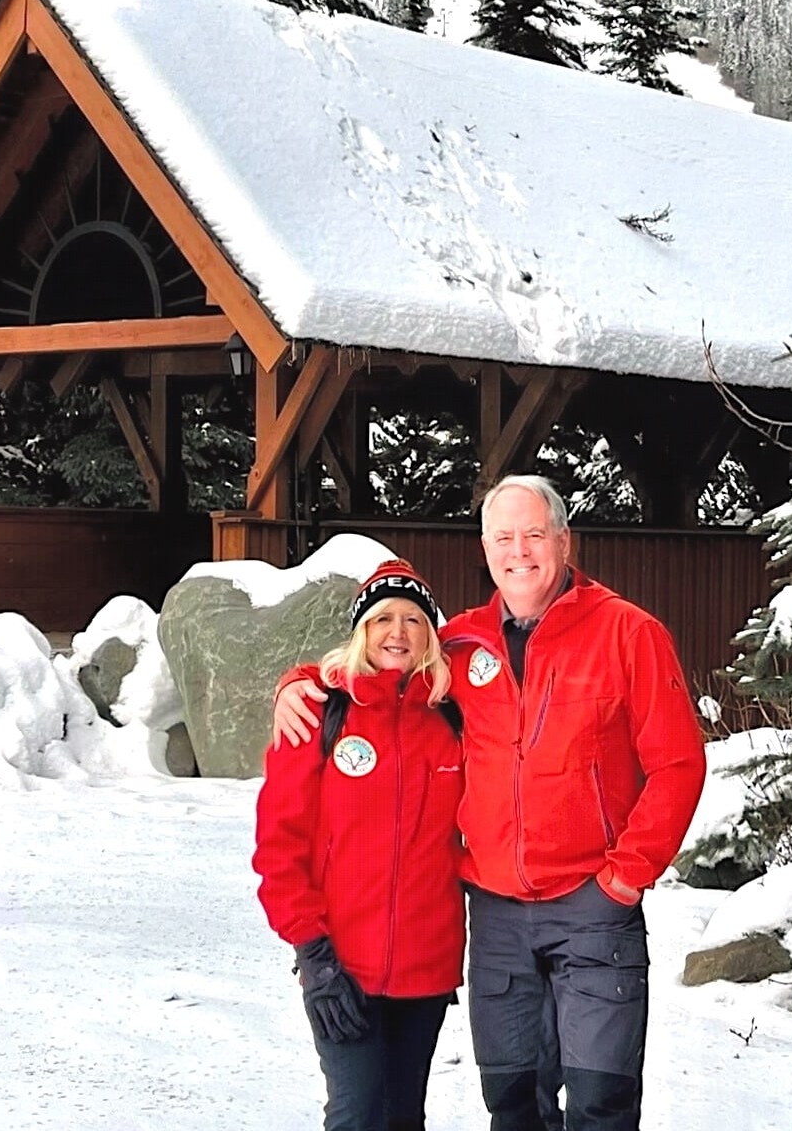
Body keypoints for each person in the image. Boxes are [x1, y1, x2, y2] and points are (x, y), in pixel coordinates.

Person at [276, 475, 706, 1131]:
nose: (519, 550)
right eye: (503, 536)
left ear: (563, 540)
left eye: (534, 533)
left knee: (600, 1103)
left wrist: (624, 876)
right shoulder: (463, 643)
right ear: (484, 549)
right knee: (511, 1103)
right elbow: (383, 660)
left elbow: (677, 764)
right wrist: (297, 682)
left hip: (592, 906)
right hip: (499, 915)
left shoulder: (627, 633)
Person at [254, 559, 466, 1131]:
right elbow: (279, 848)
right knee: (355, 1115)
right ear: (361, 631)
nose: (398, 633)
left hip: (426, 968)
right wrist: (313, 954)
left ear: (430, 636)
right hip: (340, 965)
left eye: (414, 621)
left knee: (402, 1118)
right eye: (382, 619)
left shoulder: (453, 719)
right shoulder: (322, 714)